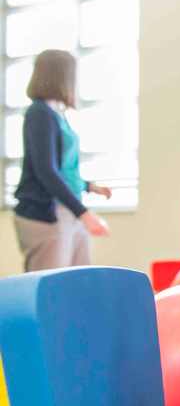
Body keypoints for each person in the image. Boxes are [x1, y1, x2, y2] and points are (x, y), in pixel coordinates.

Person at [12, 49, 112, 271]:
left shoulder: (57, 114)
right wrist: (84, 213)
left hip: (68, 212)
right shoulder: (38, 113)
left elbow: (63, 168)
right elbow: (46, 170)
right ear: (61, 76)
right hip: (45, 216)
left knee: (77, 281)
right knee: (50, 288)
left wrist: (89, 186)